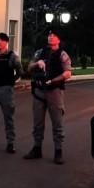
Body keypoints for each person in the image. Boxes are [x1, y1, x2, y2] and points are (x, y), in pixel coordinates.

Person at [23, 30, 72, 165]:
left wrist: (54, 80)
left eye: (54, 35)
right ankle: (37, 148)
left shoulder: (62, 54)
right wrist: (37, 63)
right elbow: (29, 68)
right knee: (37, 122)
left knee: (57, 123)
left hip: (54, 91)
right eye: (50, 35)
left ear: (59, 39)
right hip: (39, 90)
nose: (51, 37)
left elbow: (67, 73)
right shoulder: (40, 52)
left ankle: (58, 151)